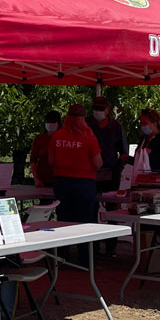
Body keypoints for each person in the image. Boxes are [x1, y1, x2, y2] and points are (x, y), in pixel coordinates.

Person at [50, 104, 102, 264]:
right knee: (85, 222)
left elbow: (51, 161)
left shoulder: (58, 136)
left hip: (62, 182)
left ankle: (62, 257)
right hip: (84, 184)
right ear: (83, 118)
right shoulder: (88, 137)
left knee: (63, 221)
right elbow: (98, 163)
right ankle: (85, 260)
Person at [88, 96, 127, 190]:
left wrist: (117, 170)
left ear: (107, 110)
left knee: (111, 202)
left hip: (110, 173)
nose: (97, 111)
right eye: (95, 108)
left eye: (101, 108)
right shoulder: (86, 124)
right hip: (89, 173)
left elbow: (124, 153)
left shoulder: (116, 127)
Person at [30, 110, 61, 188]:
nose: (50, 124)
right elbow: (33, 161)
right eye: (48, 121)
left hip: (60, 181)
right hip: (42, 181)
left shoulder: (64, 139)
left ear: (58, 123)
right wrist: (36, 179)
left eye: (53, 122)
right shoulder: (39, 139)